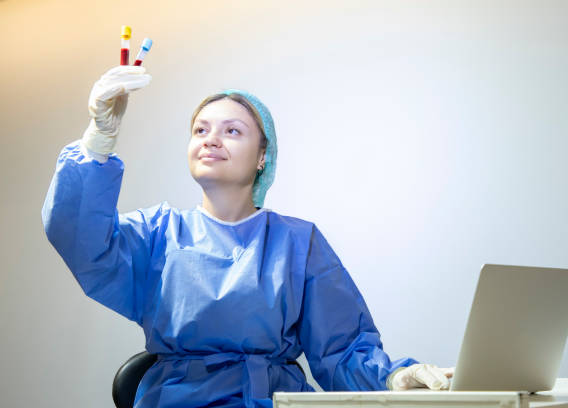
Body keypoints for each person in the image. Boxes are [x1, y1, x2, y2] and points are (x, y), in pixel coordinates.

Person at [42, 65, 453, 408]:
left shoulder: (298, 243)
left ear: (262, 157)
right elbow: (80, 237)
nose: (211, 139)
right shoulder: (158, 235)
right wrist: (97, 142)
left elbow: (341, 349)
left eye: (232, 131)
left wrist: (396, 376)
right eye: (200, 129)